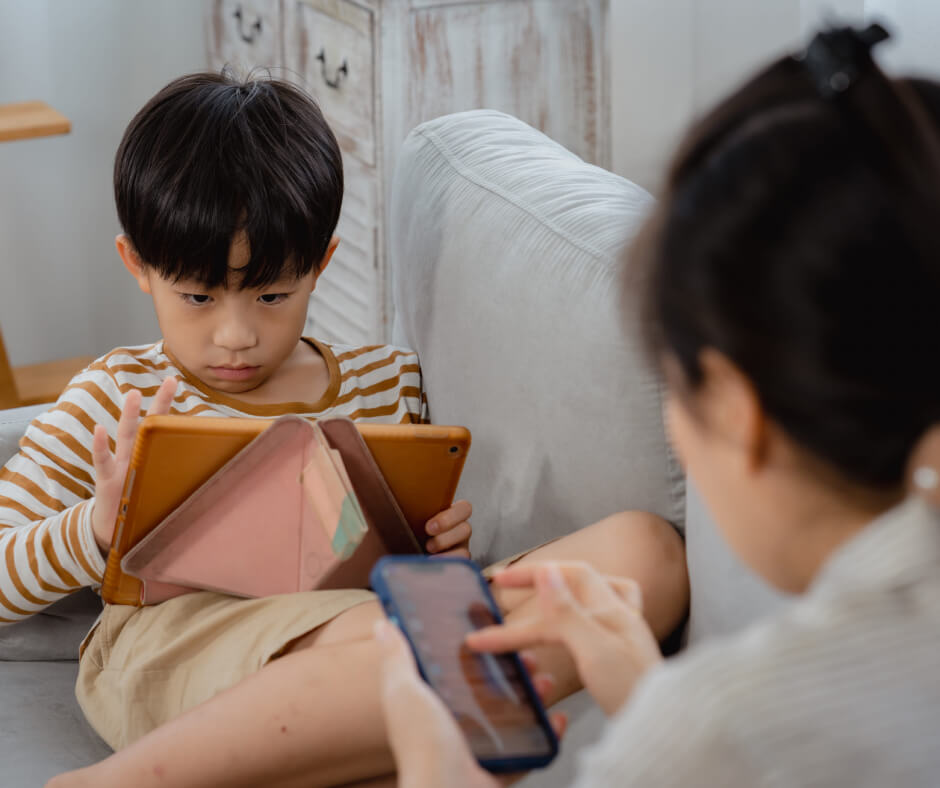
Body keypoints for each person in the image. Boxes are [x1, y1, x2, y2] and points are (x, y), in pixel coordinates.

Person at [0, 72, 690, 787]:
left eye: (272, 296)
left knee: (646, 555)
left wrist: (432, 548)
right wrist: (97, 532)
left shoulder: (388, 382)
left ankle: (435, 743)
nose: (236, 334)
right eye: (197, 298)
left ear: (320, 267)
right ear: (137, 266)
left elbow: (396, 565)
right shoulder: (116, 397)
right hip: (182, 638)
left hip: (371, 621)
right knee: (411, 643)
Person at [375, 24, 940, 788]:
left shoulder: (723, 719)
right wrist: (646, 688)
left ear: (740, 415)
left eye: (676, 388)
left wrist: (436, 771)